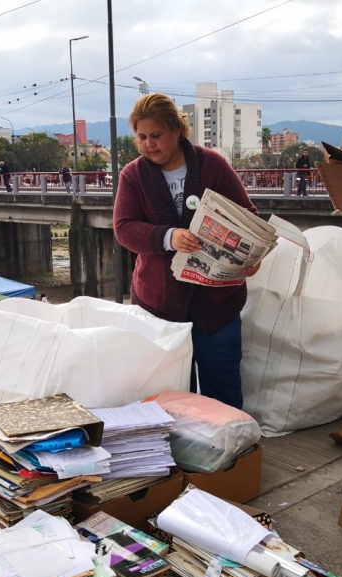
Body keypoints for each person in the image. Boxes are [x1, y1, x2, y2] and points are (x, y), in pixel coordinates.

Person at [113, 93, 259, 409]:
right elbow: (124, 227)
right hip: (159, 306)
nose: (149, 144)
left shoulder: (212, 165)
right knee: (170, 394)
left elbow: (248, 215)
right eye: (141, 137)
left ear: (177, 130)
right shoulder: (134, 175)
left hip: (217, 302)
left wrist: (250, 257)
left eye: (156, 135)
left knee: (223, 388)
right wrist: (168, 237)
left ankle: (230, 440)